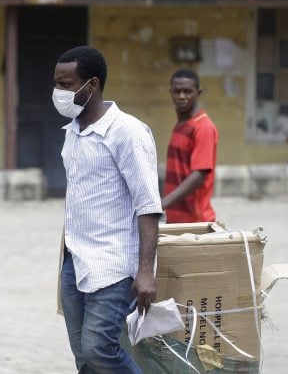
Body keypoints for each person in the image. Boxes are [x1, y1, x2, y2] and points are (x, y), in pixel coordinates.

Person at [54, 46, 162, 373]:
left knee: (100, 350)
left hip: (114, 265)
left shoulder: (128, 132)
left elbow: (148, 205)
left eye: (67, 84)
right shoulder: (72, 132)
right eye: (56, 84)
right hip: (75, 261)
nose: (59, 93)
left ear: (93, 85)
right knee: (85, 360)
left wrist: (145, 271)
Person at [161, 69, 219, 223]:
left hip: (195, 219)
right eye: (177, 91)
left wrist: (162, 203)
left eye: (187, 92)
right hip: (176, 216)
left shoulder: (203, 127)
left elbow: (199, 175)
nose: (181, 96)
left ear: (198, 93)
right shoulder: (181, 124)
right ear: (170, 92)